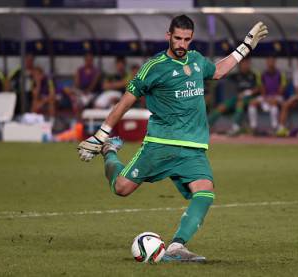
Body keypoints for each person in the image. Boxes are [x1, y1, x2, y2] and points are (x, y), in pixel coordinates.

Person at [77, 15, 267, 262]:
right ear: (168, 36)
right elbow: (126, 101)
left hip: (193, 148)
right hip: (161, 145)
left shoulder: (197, 60)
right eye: (177, 38)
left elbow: (218, 71)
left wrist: (245, 47)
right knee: (122, 188)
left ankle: (177, 247)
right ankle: (109, 151)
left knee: (205, 191)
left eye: (187, 39)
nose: (182, 43)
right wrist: (101, 134)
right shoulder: (154, 67)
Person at [208, 57, 261, 135]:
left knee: (240, 103)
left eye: (247, 63)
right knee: (222, 106)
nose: (245, 65)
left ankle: (235, 128)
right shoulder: (236, 75)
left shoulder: (254, 75)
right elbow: (223, 74)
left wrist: (247, 93)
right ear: (240, 64)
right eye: (243, 63)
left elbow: (259, 88)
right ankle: (207, 126)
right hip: (237, 98)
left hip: (250, 99)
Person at [247, 56, 287, 134]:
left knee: (274, 103)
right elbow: (262, 88)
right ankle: (253, 127)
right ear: (266, 62)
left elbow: (281, 89)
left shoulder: (281, 74)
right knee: (252, 103)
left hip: (277, 96)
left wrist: (273, 98)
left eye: (272, 61)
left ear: (275, 62)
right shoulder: (262, 74)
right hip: (265, 96)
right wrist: (265, 98)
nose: (270, 63)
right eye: (269, 61)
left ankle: (275, 127)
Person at [64, 53, 101, 118]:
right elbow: (76, 84)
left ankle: (81, 121)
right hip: (81, 91)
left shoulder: (96, 71)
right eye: (87, 60)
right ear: (85, 60)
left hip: (92, 93)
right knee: (71, 94)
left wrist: (86, 92)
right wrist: (79, 91)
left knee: (81, 101)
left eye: (90, 60)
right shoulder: (80, 70)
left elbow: (93, 85)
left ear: (92, 61)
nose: (89, 62)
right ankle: (77, 120)